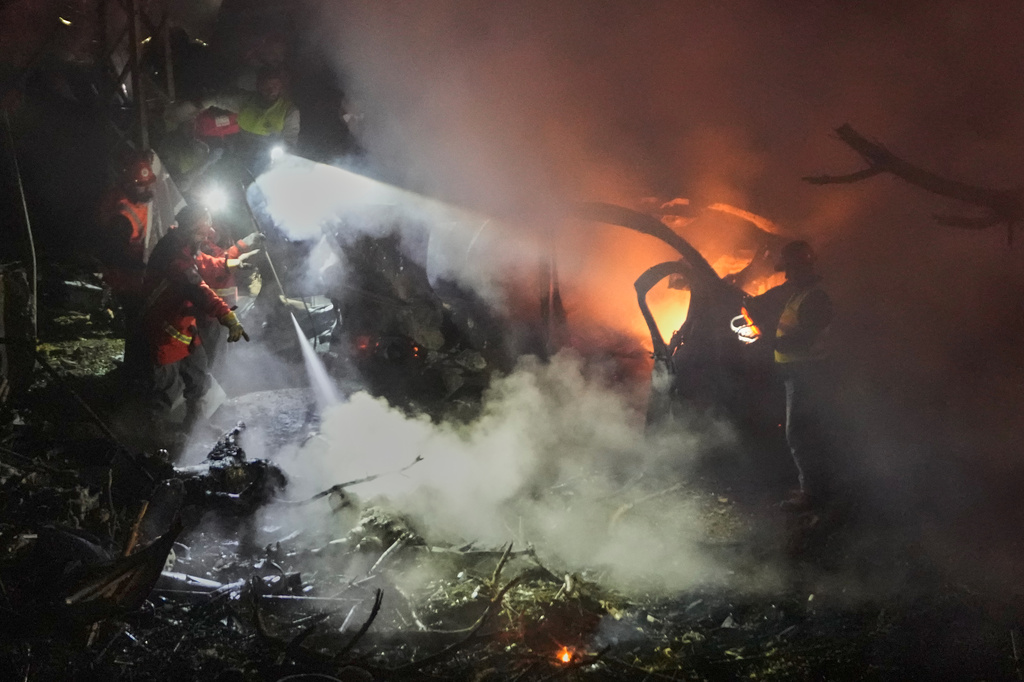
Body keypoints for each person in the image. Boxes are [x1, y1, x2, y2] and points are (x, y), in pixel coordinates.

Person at [139, 204, 249, 443]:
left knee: (198, 375)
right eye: (204, 227)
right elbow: (197, 288)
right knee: (164, 388)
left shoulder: (185, 245)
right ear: (192, 228)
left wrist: (232, 264)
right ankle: (153, 439)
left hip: (183, 328)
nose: (209, 231)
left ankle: (195, 425)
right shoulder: (174, 255)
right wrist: (227, 316)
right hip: (163, 330)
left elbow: (204, 262)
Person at [745, 240, 833, 511]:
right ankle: (811, 487)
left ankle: (811, 494)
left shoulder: (815, 298)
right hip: (794, 372)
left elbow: (803, 340)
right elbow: (772, 298)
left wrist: (766, 343)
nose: (787, 275)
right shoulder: (799, 294)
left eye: (791, 269)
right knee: (799, 433)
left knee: (799, 434)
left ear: (804, 267)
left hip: (807, 373)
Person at [96, 151, 158, 383]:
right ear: (130, 186)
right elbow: (114, 255)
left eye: (147, 184)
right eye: (141, 187)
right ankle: (134, 374)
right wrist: (144, 266)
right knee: (136, 325)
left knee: (138, 325)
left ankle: (135, 369)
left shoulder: (136, 199)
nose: (146, 190)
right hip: (126, 280)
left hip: (135, 276)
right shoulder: (122, 216)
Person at [193, 214, 262, 373]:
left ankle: (218, 379)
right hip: (213, 312)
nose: (212, 229)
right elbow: (217, 264)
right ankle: (215, 382)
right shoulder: (200, 247)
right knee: (214, 355)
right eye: (208, 227)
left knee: (221, 351)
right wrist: (243, 245)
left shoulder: (207, 244)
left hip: (222, 308)